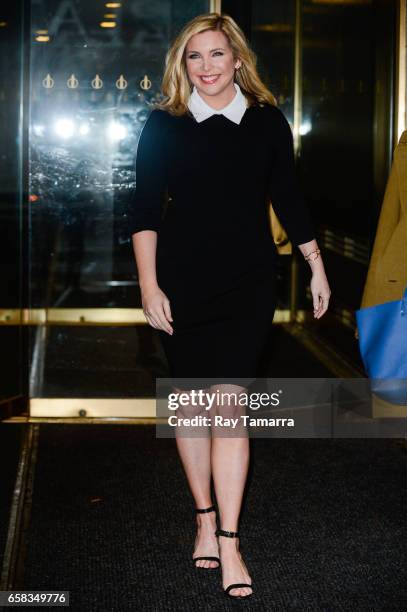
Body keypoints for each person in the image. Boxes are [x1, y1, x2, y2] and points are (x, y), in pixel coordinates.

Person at [128, 12, 331, 599]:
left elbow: (287, 197)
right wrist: (148, 287)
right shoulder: (164, 124)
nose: (208, 67)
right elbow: (144, 211)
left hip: (248, 283)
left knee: (230, 407)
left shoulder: (266, 121)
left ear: (237, 59)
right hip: (181, 281)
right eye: (195, 57)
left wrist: (316, 265)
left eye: (217, 55)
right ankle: (203, 519)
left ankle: (231, 540)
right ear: (182, 65)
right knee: (192, 406)